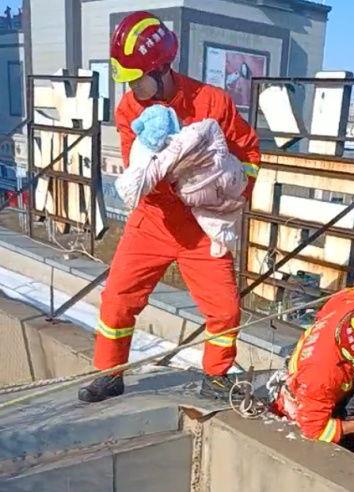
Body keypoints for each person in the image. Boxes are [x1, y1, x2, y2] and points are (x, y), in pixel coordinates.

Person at [78, 11, 260, 403]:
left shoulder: (213, 101)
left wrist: (232, 186)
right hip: (154, 220)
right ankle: (109, 374)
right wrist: (180, 171)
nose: (132, 89)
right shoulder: (129, 109)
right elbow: (139, 171)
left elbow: (248, 153)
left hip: (202, 227)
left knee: (225, 309)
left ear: (161, 69)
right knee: (118, 299)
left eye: (137, 79)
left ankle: (216, 376)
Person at [270, 306, 354, 444]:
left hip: (315, 381)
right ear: (348, 355)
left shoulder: (348, 311)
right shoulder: (321, 377)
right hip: (304, 406)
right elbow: (313, 431)